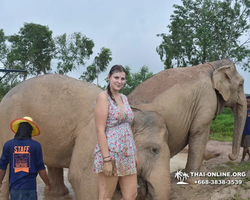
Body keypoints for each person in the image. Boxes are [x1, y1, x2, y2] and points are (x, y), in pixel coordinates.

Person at [93, 65, 138, 200]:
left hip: (127, 151)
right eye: (116, 78)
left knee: (131, 195)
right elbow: (99, 130)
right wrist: (107, 160)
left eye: (122, 78)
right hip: (111, 152)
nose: (119, 81)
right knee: (107, 196)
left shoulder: (124, 98)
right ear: (109, 77)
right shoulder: (103, 97)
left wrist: (134, 152)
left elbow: (127, 125)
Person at [0, 116, 51, 200]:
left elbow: (2, 166)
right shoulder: (36, 145)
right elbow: (40, 167)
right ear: (30, 131)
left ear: (18, 131)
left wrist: (0, 182)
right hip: (30, 187)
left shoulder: (8, 145)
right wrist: (47, 184)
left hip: (14, 188)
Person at [240, 95, 250, 165]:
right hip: (242, 131)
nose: (247, 102)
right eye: (246, 101)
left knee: (245, 146)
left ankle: (242, 160)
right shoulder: (242, 111)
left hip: (248, 132)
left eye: (248, 101)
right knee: (244, 146)